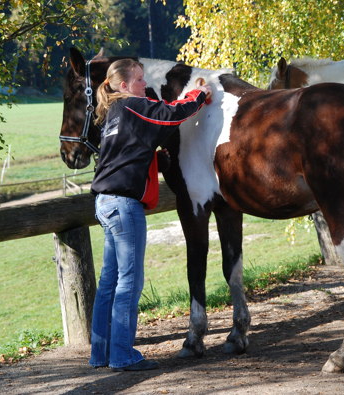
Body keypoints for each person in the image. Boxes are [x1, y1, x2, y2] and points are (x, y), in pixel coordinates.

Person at [89, 58, 212, 372]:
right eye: (141, 79)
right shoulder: (134, 104)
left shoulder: (113, 114)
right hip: (123, 205)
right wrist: (198, 95)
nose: (145, 85)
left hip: (105, 202)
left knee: (109, 282)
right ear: (126, 85)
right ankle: (123, 355)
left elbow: (125, 153)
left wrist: (156, 159)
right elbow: (171, 115)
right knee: (130, 281)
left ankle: (100, 354)